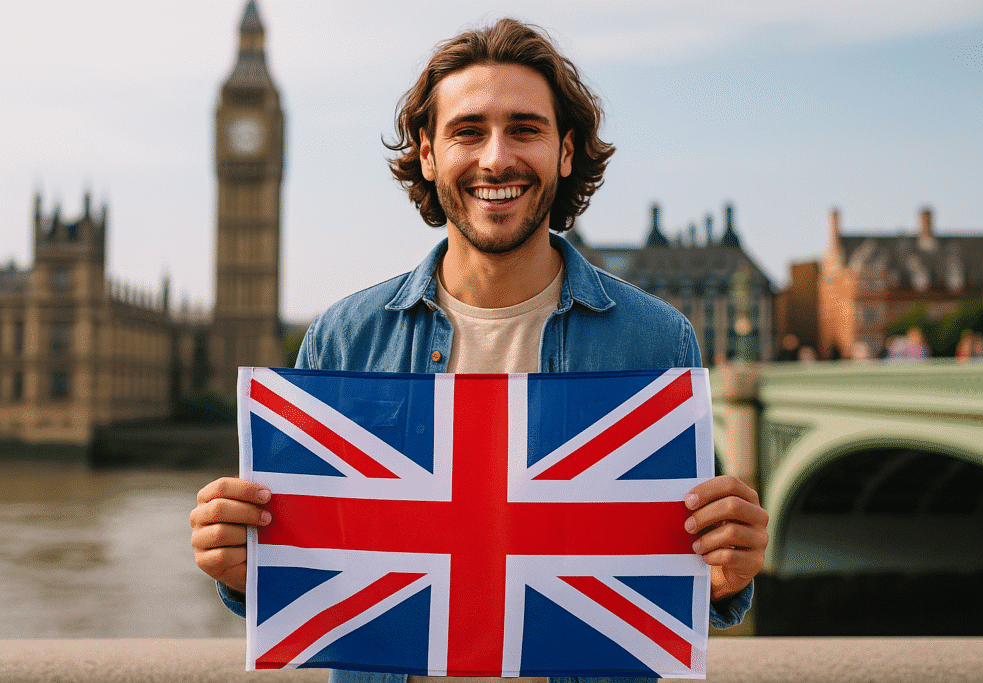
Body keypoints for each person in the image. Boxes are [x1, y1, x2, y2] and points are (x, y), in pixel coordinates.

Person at [190, 18, 769, 682]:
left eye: (525, 128)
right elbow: (314, 572)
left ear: (567, 151)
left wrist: (727, 572)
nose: (496, 158)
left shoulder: (658, 340)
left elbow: (681, 578)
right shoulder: (345, 338)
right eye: (468, 131)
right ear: (429, 154)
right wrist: (242, 568)